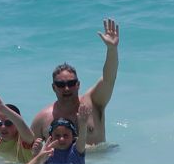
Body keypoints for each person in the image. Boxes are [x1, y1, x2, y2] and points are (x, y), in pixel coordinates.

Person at [31, 18, 119, 147]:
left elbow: (109, 78)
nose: (67, 88)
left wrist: (112, 49)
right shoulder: (42, 120)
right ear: (53, 88)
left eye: (71, 83)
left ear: (78, 85)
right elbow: (27, 153)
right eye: (61, 85)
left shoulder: (93, 103)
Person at [0, 88, 35, 164]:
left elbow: (22, 125)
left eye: (8, 123)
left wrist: (2, 107)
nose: (3, 127)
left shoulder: (23, 142)